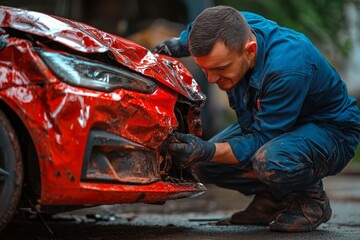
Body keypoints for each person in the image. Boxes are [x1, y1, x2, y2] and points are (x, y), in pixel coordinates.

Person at [153, 5, 360, 233]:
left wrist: (207, 149)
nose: (211, 79)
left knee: (269, 159)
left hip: (331, 130)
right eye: (205, 69)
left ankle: (311, 201)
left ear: (250, 50)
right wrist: (177, 44)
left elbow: (262, 139)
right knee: (203, 165)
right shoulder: (235, 27)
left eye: (220, 68)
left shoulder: (287, 68)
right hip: (272, 127)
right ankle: (273, 198)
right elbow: (198, 29)